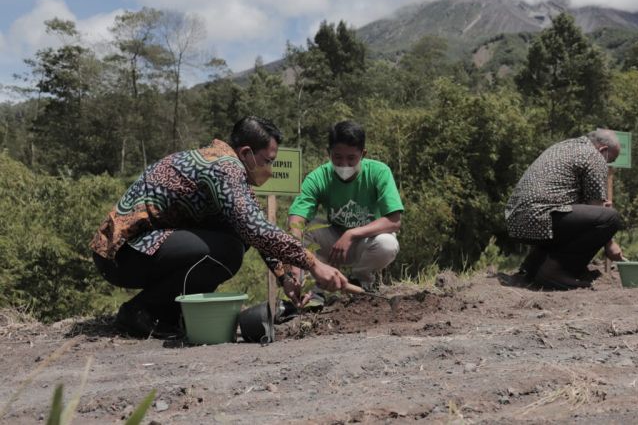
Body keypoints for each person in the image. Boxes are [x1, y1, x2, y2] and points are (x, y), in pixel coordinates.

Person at [90, 116, 349, 337]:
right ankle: (142, 311)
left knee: (236, 239)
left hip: (145, 250)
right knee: (228, 251)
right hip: (123, 253)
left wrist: (286, 278)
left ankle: (168, 313)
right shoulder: (224, 167)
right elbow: (256, 228)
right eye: (268, 161)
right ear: (246, 153)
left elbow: (254, 228)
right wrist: (313, 264)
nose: (270, 170)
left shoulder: (228, 169)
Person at [288, 120, 403, 292]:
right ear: (328, 153)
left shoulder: (379, 172)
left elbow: (394, 221)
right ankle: (313, 288)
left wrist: (351, 234)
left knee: (387, 243)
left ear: (363, 154)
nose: (344, 165)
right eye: (338, 157)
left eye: (351, 158)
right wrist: (295, 265)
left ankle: (360, 281)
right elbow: (296, 221)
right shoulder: (318, 177)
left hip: (367, 242)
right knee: (304, 231)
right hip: (334, 243)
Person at [505, 129, 624, 289]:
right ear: (603, 149)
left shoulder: (564, 146)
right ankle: (555, 273)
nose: (607, 164)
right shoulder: (594, 155)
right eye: (610, 159)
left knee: (575, 220)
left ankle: (532, 267)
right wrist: (610, 243)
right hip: (540, 217)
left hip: (517, 220)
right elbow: (595, 207)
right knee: (610, 218)